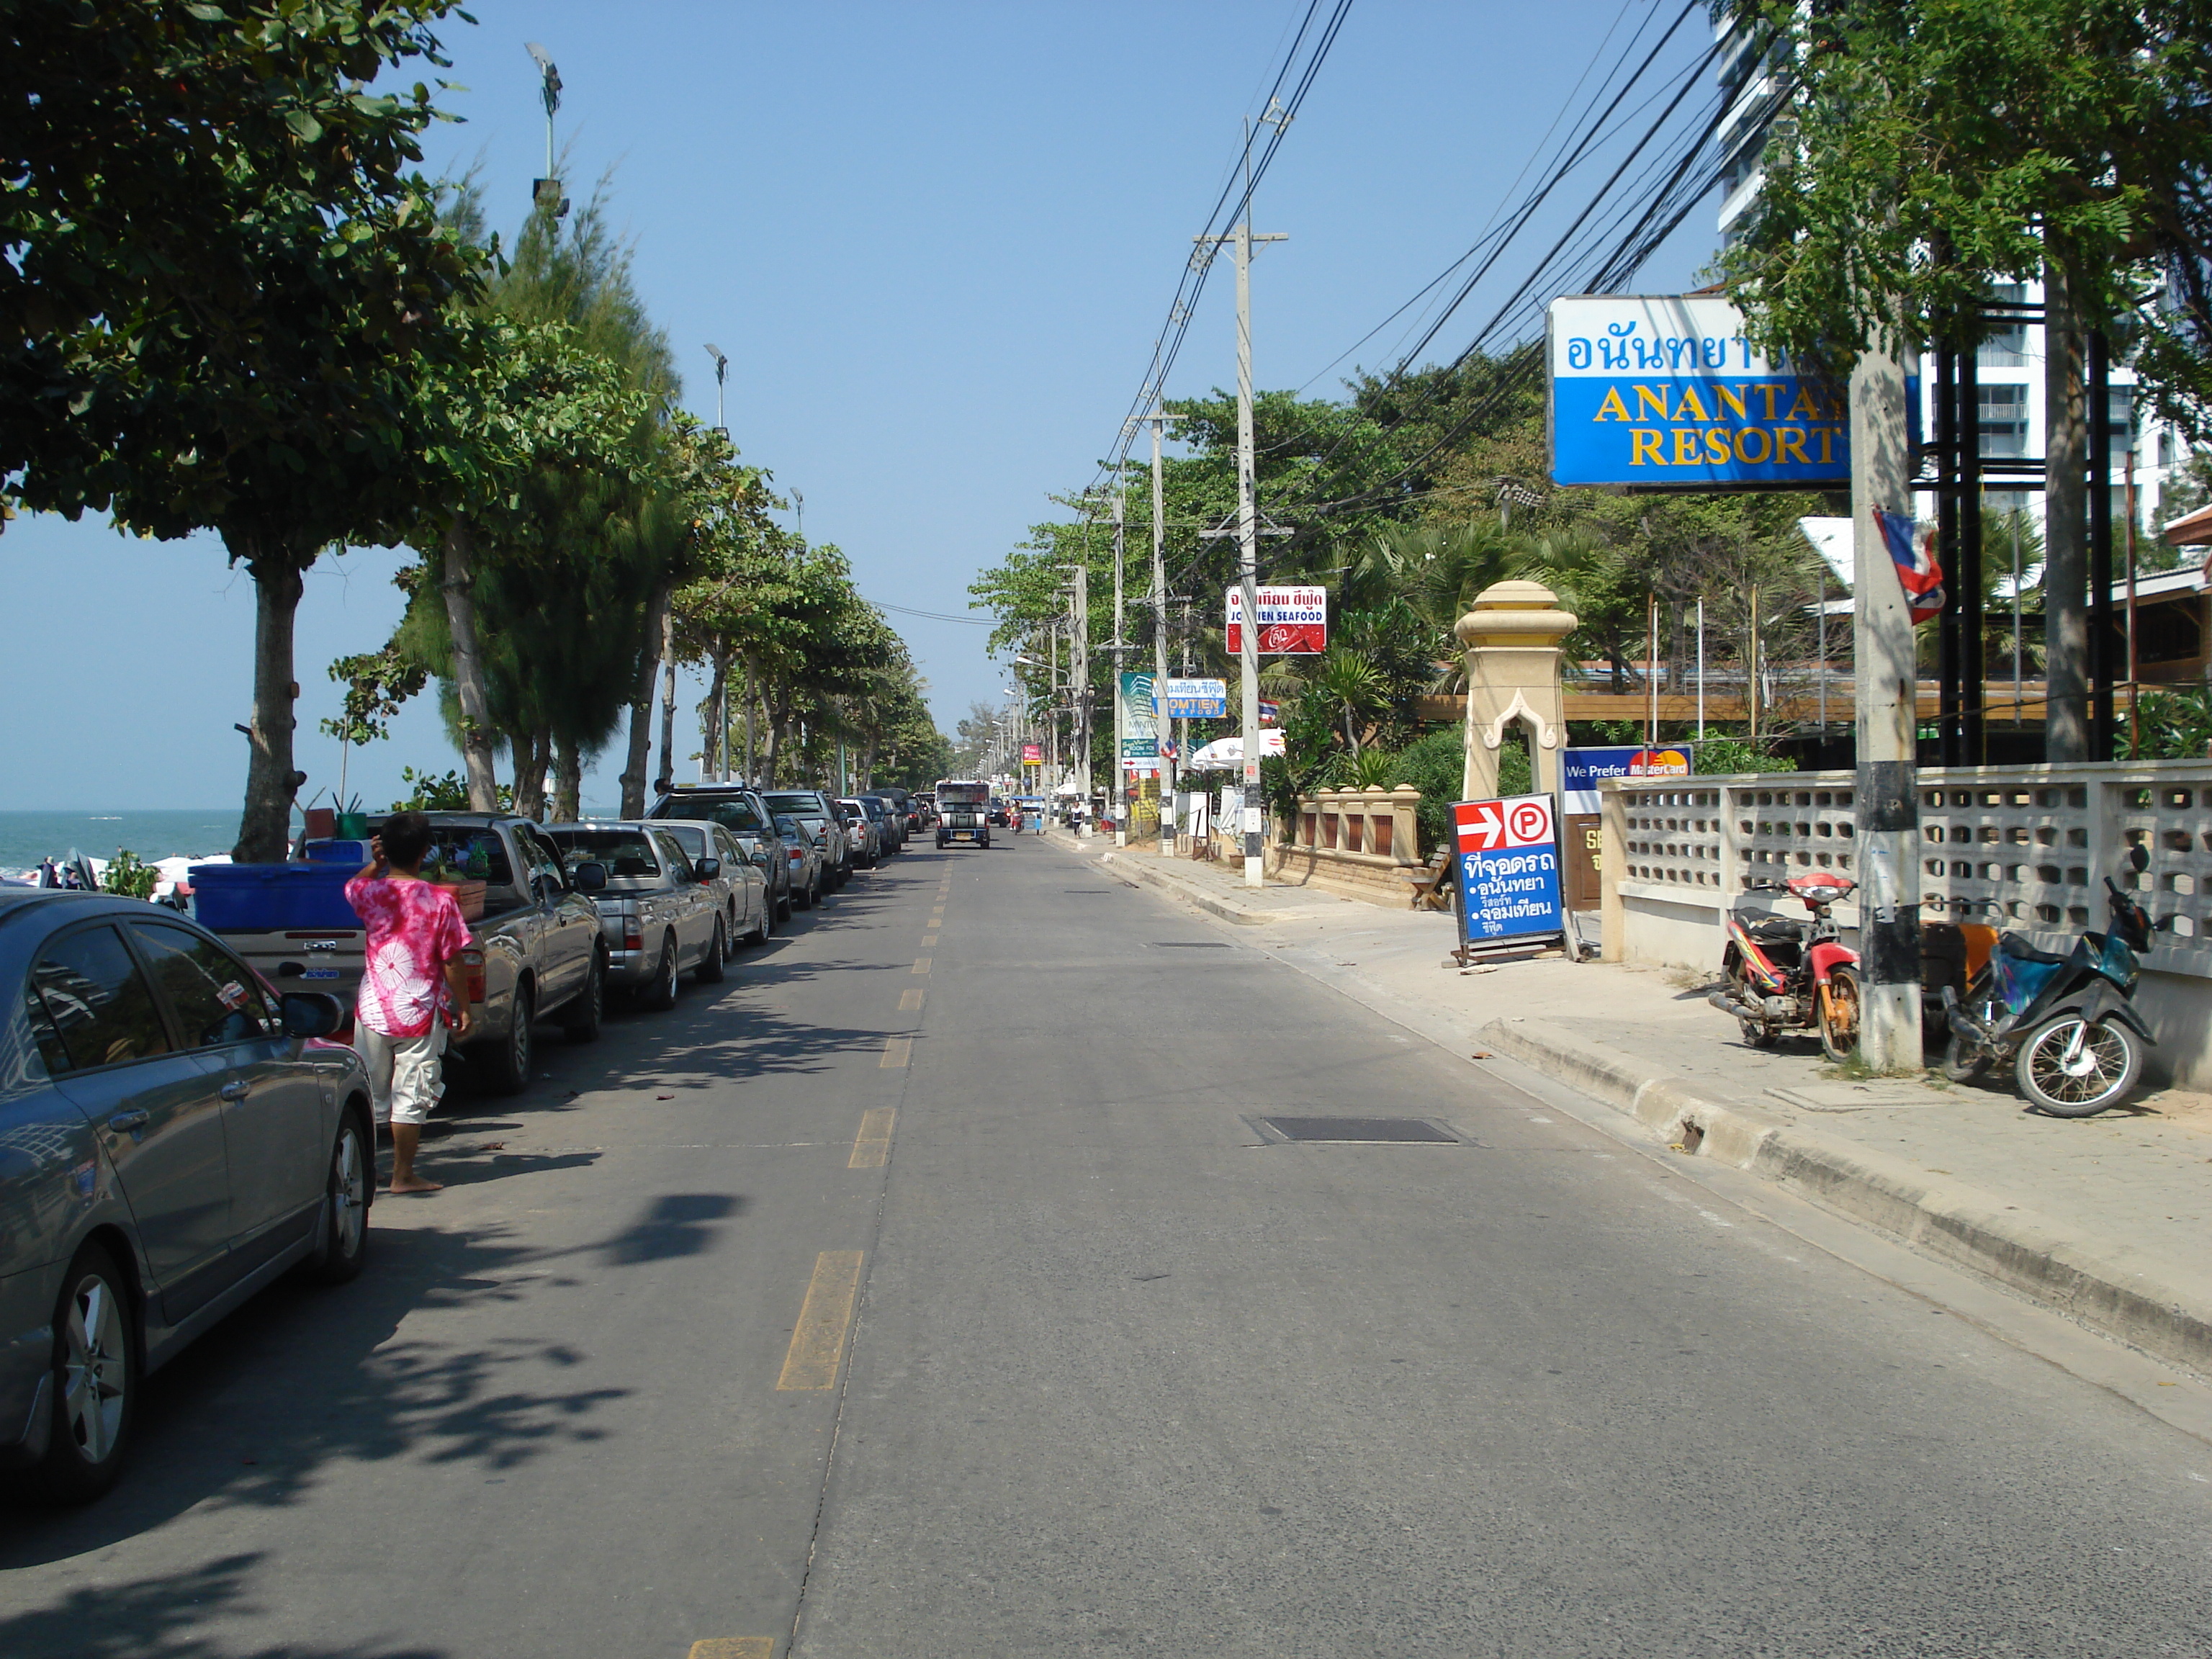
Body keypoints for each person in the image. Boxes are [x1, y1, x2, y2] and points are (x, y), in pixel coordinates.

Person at [344, 811, 472, 1194]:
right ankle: (403, 1175)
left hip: (371, 1009)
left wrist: (376, 863)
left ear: (386, 848)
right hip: (417, 1010)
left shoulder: (368, 893)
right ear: (425, 852)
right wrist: (463, 1007)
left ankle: (366, 1171)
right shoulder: (438, 901)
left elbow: (352, 885)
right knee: (411, 1095)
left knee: (370, 1094)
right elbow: (452, 960)